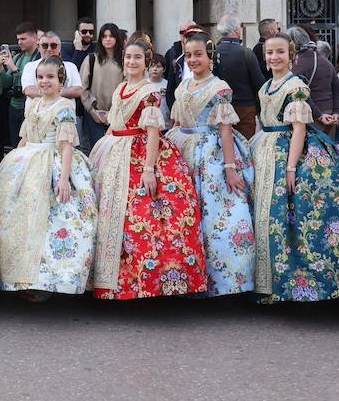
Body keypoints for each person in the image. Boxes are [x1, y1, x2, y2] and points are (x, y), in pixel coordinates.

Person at [88, 39, 206, 299]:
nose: (131, 62)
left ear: (146, 62)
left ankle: (142, 283)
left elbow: (153, 132)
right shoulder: (121, 88)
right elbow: (115, 122)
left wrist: (149, 169)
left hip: (140, 153)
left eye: (137, 58)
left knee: (141, 216)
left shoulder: (150, 92)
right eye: (128, 57)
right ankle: (108, 280)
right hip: (114, 149)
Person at [251, 33, 339, 303]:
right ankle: (262, 282)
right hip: (264, 147)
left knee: (292, 215)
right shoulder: (265, 86)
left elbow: (299, 129)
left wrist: (291, 168)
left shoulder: (296, 87)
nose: (274, 57)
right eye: (270, 53)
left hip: (290, 151)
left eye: (280, 52)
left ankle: (292, 285)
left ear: (291, 56)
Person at [0, 57, 96, 298]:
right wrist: (14, 163)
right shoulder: (33, 104)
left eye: (50, 77)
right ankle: (23, 278)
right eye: (40, 77)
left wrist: (63, 179)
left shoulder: (64, 107)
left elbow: (67, 145)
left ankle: (48, 281)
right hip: (30, 159)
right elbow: (26, 137)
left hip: (54, 161)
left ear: (61, 81)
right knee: (23, 219)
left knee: (54, 221)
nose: (44, 81)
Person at [168, 33, 256, 297]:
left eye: (199, 55)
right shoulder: (183, 86)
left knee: (214, 215)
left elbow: (225, 129)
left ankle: (220, 281)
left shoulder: (220, 88)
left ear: (210, 57)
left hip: (210, 154)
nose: (193, 60)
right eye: (189, 55)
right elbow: (175, 121)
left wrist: (230, 167)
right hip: (182, 147)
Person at [211, 14, 267, 139]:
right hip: (245, 109)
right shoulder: (246, 53)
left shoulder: (214, 53)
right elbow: (260, 84)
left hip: (220, 109)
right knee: (245, 147)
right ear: (236, 29)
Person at [289, 26, 339, 136]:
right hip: (329, 116)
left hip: (310, 118)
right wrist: (336, 113)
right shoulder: (325, 61)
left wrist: (319, 115)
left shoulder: (298, 65)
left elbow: (300, 94)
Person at [80, 22, 125, 150]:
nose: (107, 39)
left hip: (118, 115)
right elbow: (82, 88)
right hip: (96, 115)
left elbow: (128, 88)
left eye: (111, 36)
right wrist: (92, 111)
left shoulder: (124, 60)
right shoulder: (91, 59)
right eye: (104, 36)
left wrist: (113, 113)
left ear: (117, 38)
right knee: (98, 152)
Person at [0, 22, 41, 147]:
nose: (19, 42)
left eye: (23, 39)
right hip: (14, 106)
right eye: (18, 39)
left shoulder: (40, 57)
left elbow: (30, 83)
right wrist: (0, 68)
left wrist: (15, 69)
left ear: (35, 38)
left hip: (32, 107)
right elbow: (6, 83)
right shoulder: (18, 57)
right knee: (16, 143)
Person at [20, 32, 84, 100]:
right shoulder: (30, 66)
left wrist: (51, 94)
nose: (49, 49)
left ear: (59, 47)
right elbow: (29, 91)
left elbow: (78, 90)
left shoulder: (71, 66)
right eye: (45, 45)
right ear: (39, 47)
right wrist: (58, 94)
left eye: (53, 45)